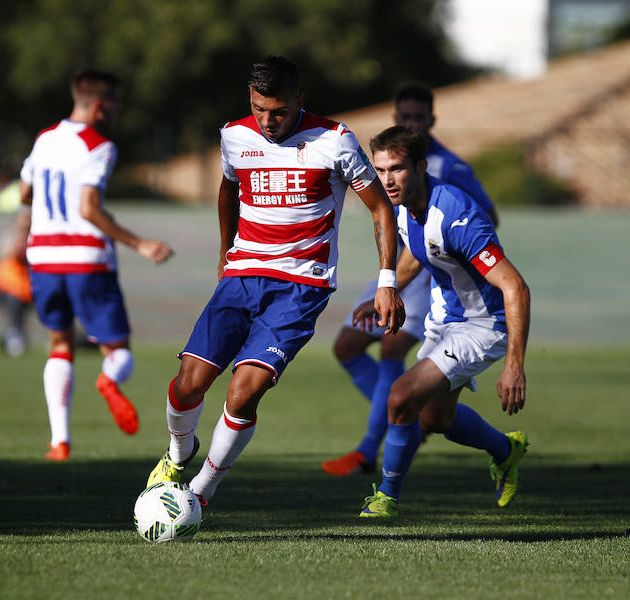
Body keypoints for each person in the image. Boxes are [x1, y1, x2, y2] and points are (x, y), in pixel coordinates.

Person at [145, 56, 402, 505]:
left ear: (299, 102)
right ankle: (176, 455)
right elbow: (229, 190)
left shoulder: (335, 140)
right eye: (259, 108)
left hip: (301, 287)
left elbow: (381, 208)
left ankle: (200, 495)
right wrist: (226, 253)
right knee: (187, 384)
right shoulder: (234, 135)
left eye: (279, 111)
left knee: (243, 393)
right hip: (242, 277)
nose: (268, 121)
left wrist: (387, 281)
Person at [322, 82, 499, 476]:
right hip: (399, 265)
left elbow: (488, 218)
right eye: (406, 116)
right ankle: (408, 419)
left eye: (419, 117)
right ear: (396, 119)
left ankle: (370, 449)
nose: (412, 123)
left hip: (431, 276)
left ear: (432, 121)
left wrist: (447, 249)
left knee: (389, 349)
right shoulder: (390, 157)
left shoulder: (450, 168)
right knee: (347, 346)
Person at [356, 126, 530, 517]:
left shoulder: (456, 216)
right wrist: (385, 291)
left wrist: (514, 367)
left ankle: (386, 498)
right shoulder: (404, 207)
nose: (387, 180)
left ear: (420, 167)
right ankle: (506, 450)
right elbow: (418, 253)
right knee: (436, 417)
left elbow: (516, 287)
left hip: (483, 324)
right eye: (380, 170)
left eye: (396, 169)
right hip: (446, 318)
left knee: (401, 397)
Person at [19, 68, 174, 460]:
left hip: (42, 257)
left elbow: (24, 192)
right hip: (86, 259)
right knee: (119, 351)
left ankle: (59, 442)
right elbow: (89, 208)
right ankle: (108, 381)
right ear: (102, 106)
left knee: (59, 344)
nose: (119, 111)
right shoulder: (99, 146)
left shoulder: (44, 138)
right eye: (117, 104)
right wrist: (139, 243)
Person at [0, 205, 33, 356]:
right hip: (9, 289)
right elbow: (6, 254)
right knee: (14, 301)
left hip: (29, 289)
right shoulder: (10, 236)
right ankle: (15, 336)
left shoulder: (37, 236)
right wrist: (18, 239)